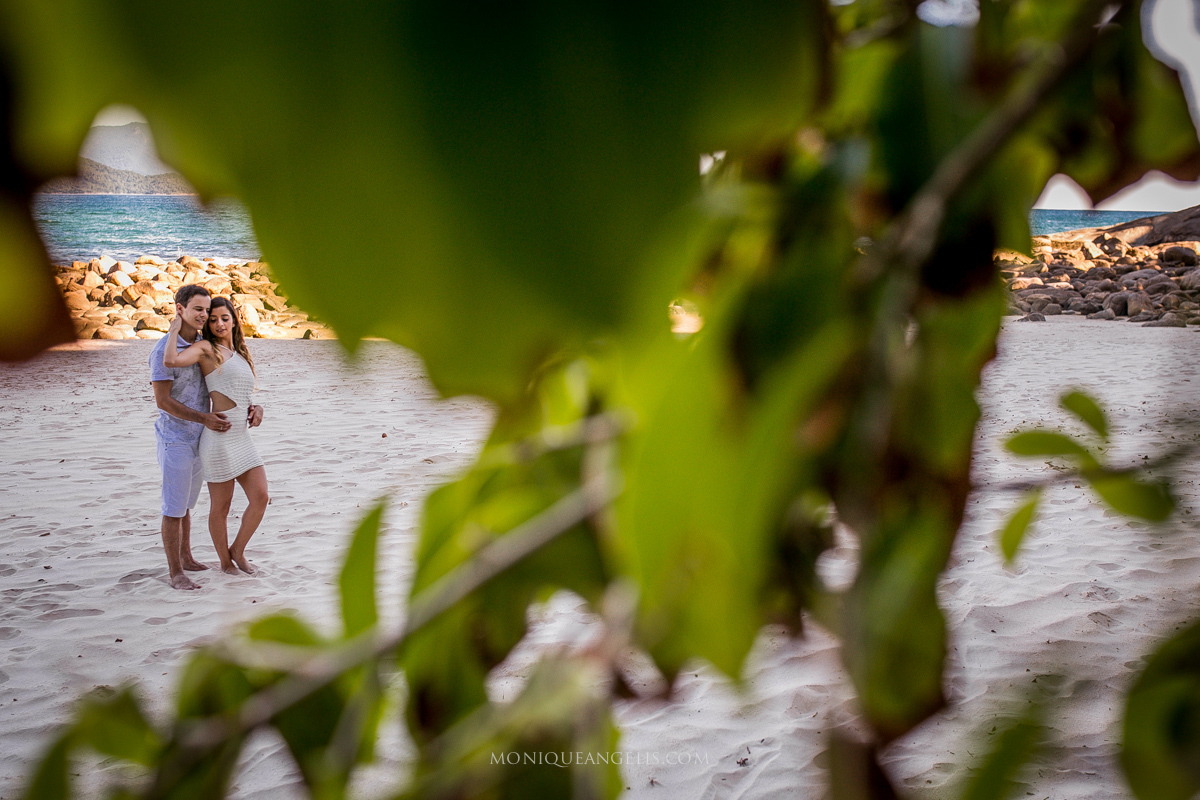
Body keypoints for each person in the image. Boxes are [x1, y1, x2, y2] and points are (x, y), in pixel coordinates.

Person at [150, 285, 262, 590]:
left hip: (204, 435)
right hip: (176, 437)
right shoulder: (165, 349)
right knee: (174, 507)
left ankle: (187, 557)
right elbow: (163, 401)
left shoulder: (204, 343)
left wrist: (253, 407)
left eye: (207, 311)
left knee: (186, 505)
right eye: (199, 310)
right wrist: (204, 418)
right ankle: (176, 572)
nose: (205, 316)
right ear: (180, 310)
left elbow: (229, 385)